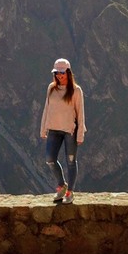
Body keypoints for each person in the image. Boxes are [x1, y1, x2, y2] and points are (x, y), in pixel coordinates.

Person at [39, 58, 86, 204]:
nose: (59, 75)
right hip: (53, 129)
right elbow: (47, 109)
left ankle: (70, 192)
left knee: (71, 161)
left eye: (62, 72)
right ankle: (61, 185)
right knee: (50, 159)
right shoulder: (51, 88)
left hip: (69, 131)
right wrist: (43, 128)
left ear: (68, 72)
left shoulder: (76, 91)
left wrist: (80, 134)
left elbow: (80, 113)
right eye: (57, 73)